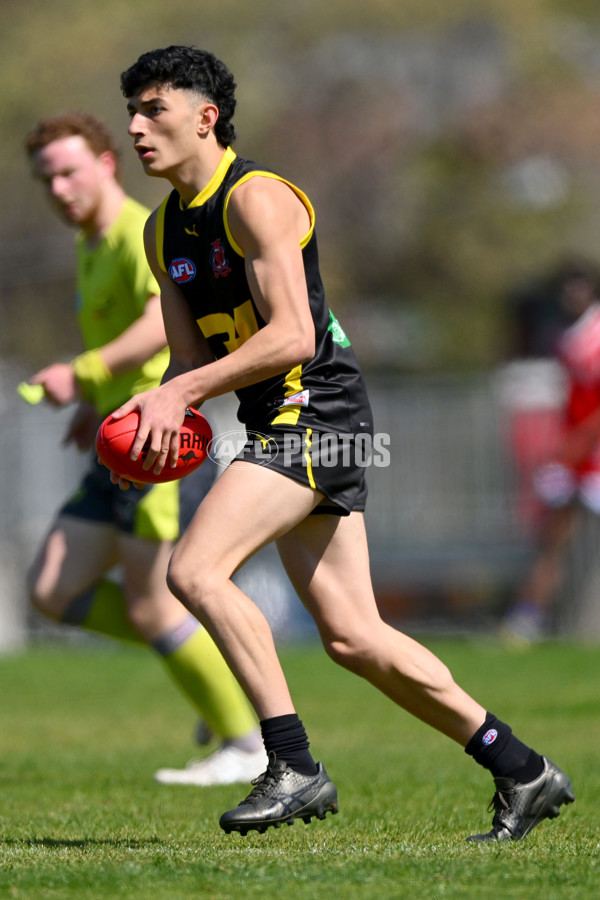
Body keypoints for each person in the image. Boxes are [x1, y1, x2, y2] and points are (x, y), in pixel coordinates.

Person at [114, 45, 574, 840]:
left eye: (153, 110)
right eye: (132, 112)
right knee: (355, 637)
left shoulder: (256, 198)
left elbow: (293, 334)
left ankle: (292, 766)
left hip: (317, 414)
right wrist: (152, 430)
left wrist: (180, 392)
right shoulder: (163, 231)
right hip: (278, 424)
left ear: (205, 116)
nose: (135, 128)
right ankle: (523, 770)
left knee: (193, 569)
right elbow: (187, 364)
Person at [23, 111, 266, 786]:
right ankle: (215, 672)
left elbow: (162, 326)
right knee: (52, 588)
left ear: (106, 164)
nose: (60, 189)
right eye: (47, 180)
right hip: (117, 442)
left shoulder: (137, 231)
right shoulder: (89, 243)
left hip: (157, 445)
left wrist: (85, 373)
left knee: (154, 602)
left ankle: (247, 746)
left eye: (70, 172)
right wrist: (93, 410)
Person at [503, 264, 600, 643]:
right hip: (574, 456)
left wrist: (580, 440)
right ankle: (526, 620)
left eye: (579, 290)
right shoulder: (565, 338)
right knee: (553, 537)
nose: (572, 298)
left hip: (587, 450)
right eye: (567, 291)